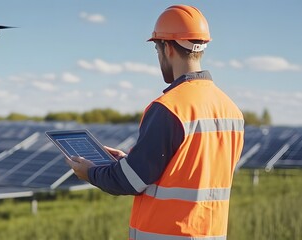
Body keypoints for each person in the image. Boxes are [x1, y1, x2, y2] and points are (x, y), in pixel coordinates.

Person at [65, 5, 245, 240]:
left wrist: (91, 172)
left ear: (167, 48)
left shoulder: (169, 107)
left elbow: (131, 181)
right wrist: (127, 162)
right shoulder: (231, 111)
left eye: (157, 51)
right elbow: (188, 172)